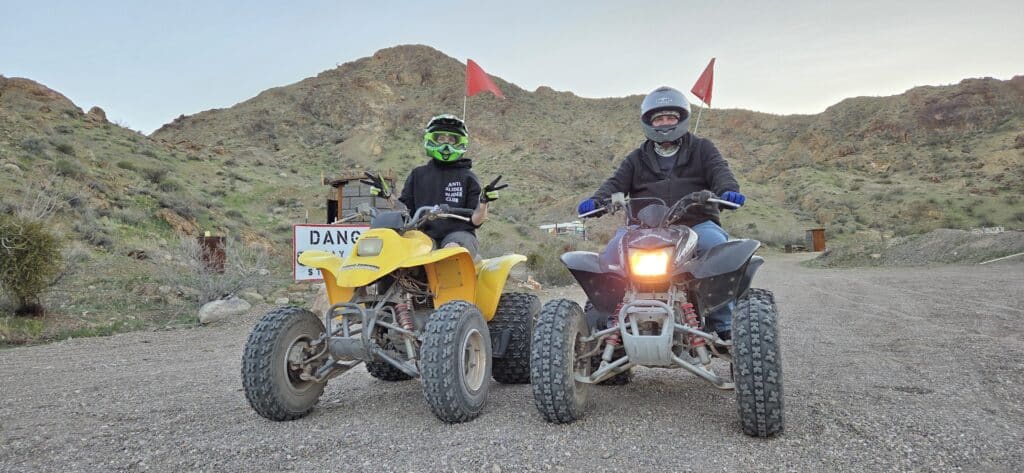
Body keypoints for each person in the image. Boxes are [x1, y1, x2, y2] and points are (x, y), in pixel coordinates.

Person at [577, 86, 746, 341]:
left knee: (717, 249)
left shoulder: (702, 149)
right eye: (658, 118)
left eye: (670, 117)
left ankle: (722, 323)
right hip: (643, 228)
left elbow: (720, 171)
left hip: (695, 224)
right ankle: (607, 325)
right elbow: (615, 184)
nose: (665, 123)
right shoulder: (636, 158)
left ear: (681, 119)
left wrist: (728, 190)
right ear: (649, 122)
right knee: (610, 257)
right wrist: (595, 200)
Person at [363, 114, 503, 258]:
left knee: (451, 250)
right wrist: (387, 196)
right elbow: (405, 211)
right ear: (431, 139)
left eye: (451, 140)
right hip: (422, 236)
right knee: (399, 251)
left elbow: (476, 220)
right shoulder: (418, 174)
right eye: (441, 139)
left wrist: (484, 202)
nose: (446, 145)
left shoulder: (468, 177)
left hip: (459, 235)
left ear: (460, 143)